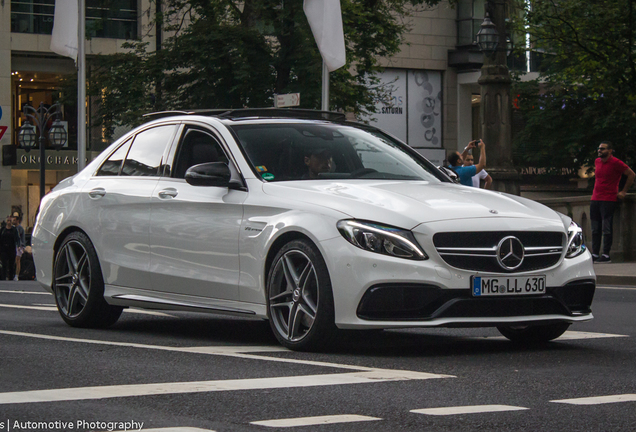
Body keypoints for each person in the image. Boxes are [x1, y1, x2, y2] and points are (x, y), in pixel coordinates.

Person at [590, 141, 635, 263]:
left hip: (608, 199)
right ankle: (594, 254)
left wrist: (623, 191)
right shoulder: (597, 162)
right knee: (595, 228)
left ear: (610, 151)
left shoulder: (616, 163)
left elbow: (631, 174)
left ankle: (605, 255)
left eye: (603, 149)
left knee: (606, 228)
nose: (600, 150)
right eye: (599, 148)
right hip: (595, 198)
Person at [0, 215, 20, 280]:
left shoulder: (14, 230)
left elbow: (17, 238)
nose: (9, 222)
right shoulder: (3, 230)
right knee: (4, 264)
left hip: (11, 248)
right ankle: (3, 277)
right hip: (4, 249)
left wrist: (19, 246)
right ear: (6, 222)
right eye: (8, 221)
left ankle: (11, 277)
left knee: (11, 264)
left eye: (10, 221)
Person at [13, 212, 26, 281]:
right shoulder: (13, 228)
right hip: (14, 245)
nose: (13, 221)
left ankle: (16, 275)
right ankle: (13, 274)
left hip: (19, 246)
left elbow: (21, 238)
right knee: (15, 260)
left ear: (17, 220)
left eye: (14, 220)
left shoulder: (19, 228)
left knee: (17, 260)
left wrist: (22, 246)